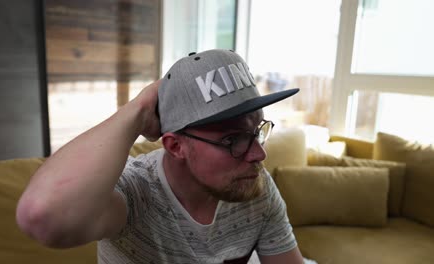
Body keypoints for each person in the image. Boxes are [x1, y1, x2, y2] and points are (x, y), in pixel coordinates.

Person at [16, 49, 304, 263]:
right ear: (176, 146)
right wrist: (138, 109)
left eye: (257, 131)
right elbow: (42, 216)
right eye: (233, 139)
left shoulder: (254, 185)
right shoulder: (136, 192)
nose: (259, 154)